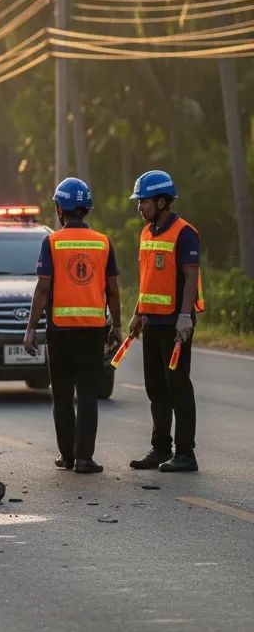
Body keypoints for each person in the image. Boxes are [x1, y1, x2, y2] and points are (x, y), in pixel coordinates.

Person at [24, 178, 121, 474]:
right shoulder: (103, 242)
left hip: (60, 332)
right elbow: (113, 289)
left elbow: (43, 288)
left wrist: (30, 328)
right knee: (88, 395)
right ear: (86, 208)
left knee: (63, 395)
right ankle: (83, 458)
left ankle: (66, 456)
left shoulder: (51, 242)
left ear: (59, 208)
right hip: (93, 332)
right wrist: (116, 326)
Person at [126, 170, 203, 473]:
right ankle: (160, 449)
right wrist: (137, 312)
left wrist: (185, 316)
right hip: (152, 323)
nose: (139, 207)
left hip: (176, 325)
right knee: (156, 388)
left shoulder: (184, 233)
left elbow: (190, 277)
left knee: (178, 386)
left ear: (161, 201)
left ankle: (186, 453)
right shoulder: (147, 232)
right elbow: (148, 279)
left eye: (143, 201)